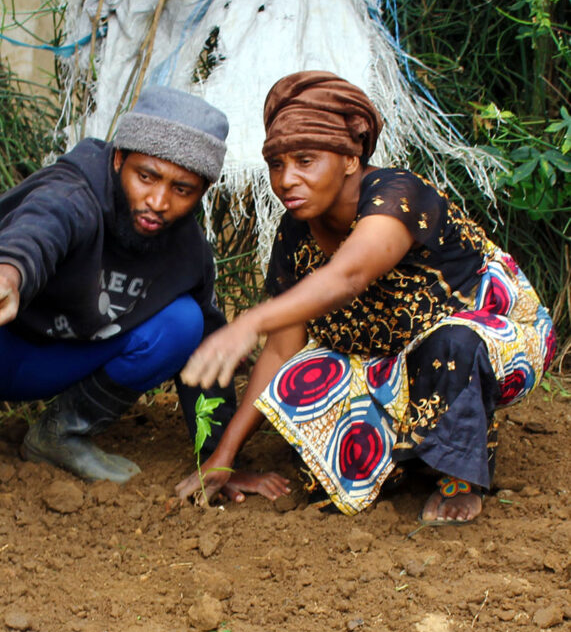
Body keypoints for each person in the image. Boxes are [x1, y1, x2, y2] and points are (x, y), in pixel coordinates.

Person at [176, 71, 557, 524]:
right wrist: (223, 457)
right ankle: (405, 456)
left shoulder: (396, 194)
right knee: (302, 384)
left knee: (452, 344)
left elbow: (349, 275)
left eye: (304, 160)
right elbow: (280, 352)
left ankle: (460, 475)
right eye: (277, 164)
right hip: (384, 357)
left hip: (492, 339)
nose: (286, 180)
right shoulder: (295, 235)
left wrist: (247, 321)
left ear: (352, 158)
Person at [0, 86, 284, 524]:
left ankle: (60, 436)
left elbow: (211, 350)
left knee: (185, 321)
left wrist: (219, 457)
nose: (158, 201)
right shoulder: (75, 189)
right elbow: (43, 224)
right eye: (146, 176)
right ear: (119, 159)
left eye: (182, 189)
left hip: (62, 364)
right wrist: (8, 273)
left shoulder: (188, 253)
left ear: (202, 192)